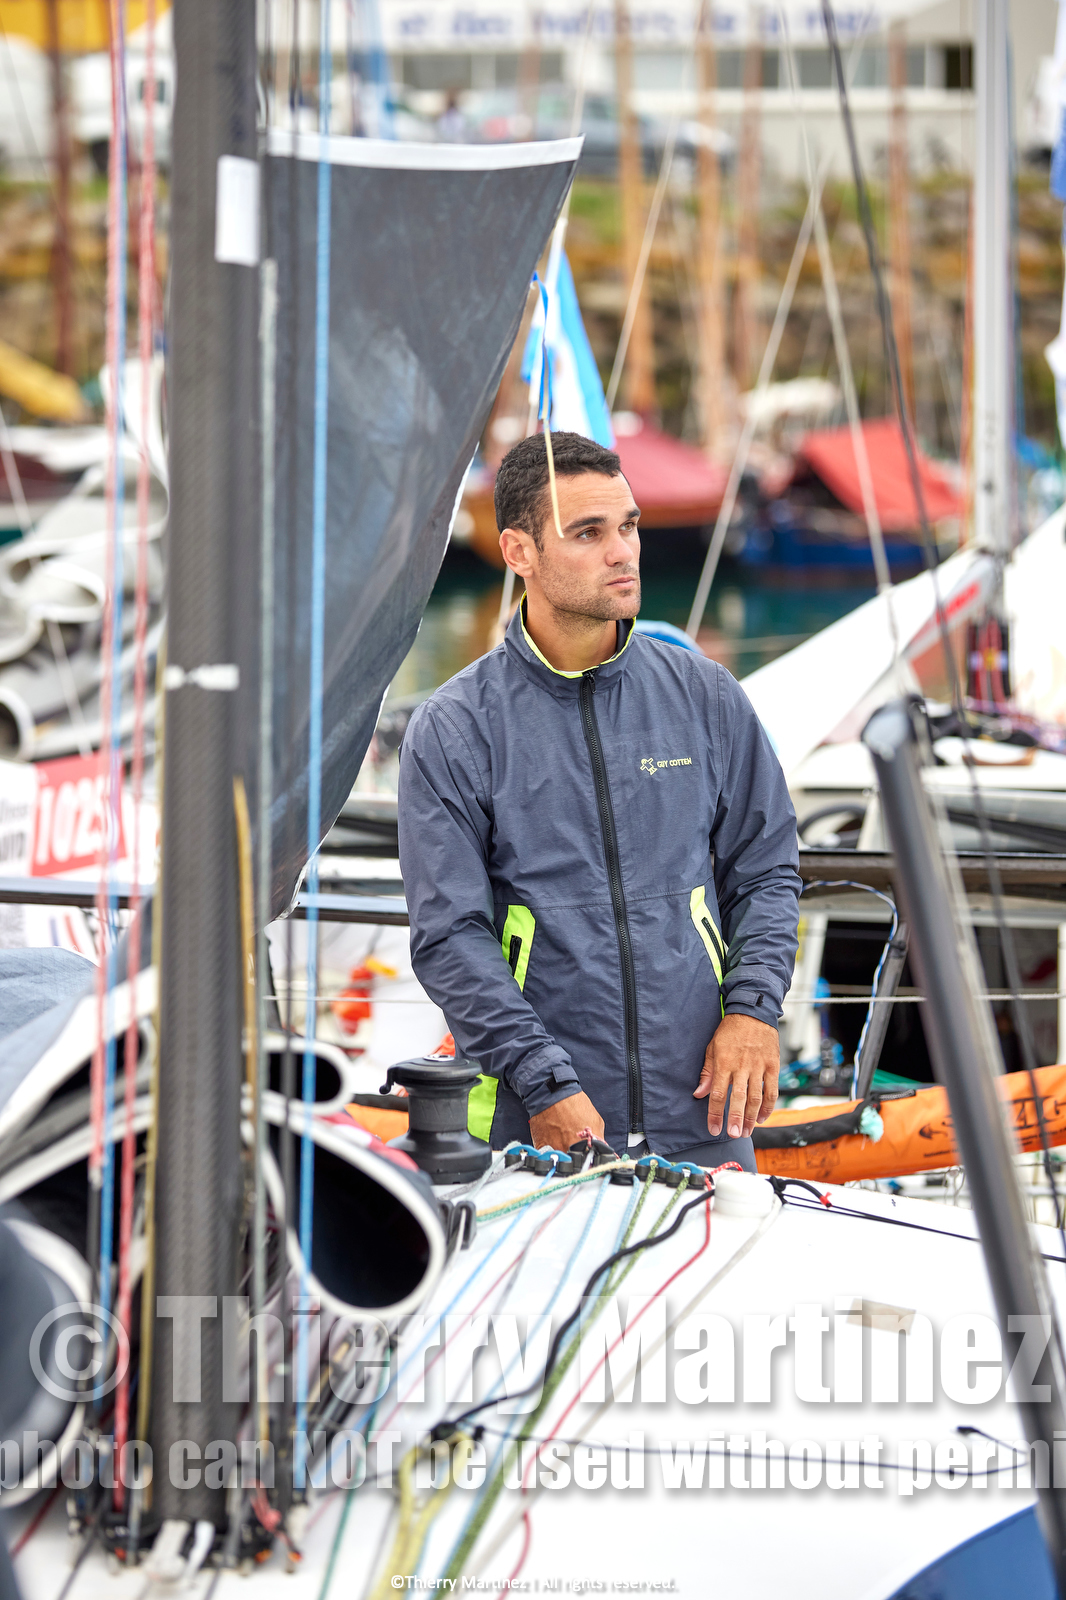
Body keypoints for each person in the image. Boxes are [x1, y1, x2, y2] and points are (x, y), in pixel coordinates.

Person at [397, 432, 801, 1170]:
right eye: (588, 533)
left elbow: (767, 873)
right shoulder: (454, 729)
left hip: (707, 1115)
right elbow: (450, 937)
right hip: (538, 1123)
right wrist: (544, 1084)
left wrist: (752, 1010)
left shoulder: (705, 696)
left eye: (629, 526)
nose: (623, 552)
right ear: (519, 552)